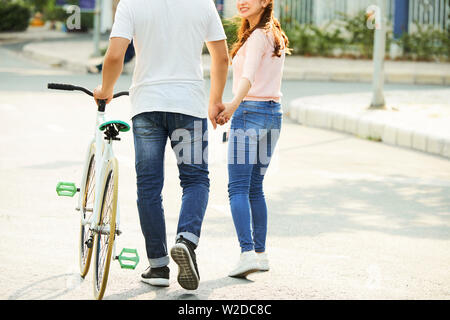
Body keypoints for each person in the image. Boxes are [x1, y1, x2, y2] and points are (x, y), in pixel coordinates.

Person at [93, 0, 229, 290]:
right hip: (189, 105)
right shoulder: (202, 4)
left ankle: (158, 267)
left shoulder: (131, 4)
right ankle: (186, 241)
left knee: (149, 187)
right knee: (195, 180)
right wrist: (216, 99)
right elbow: (221, 57)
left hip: (146, 105)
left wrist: (104, 91)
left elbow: (116, 56)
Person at [216, 0, 290, 278]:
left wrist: (232, 105)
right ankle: (260, 254)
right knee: (255, 188)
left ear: (265, 2)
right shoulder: (274, 33)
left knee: (238, 188)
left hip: (250, 113)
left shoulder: (259, 35)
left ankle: (247, 253)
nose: (242, 2)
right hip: (273, 114)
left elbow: (248, 78)